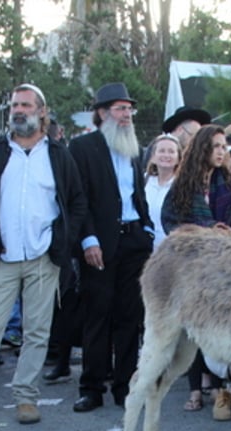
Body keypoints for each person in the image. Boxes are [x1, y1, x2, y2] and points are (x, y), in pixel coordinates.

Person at [0, 83, 87, 428]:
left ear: (42, 112)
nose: (18, 110)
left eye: (26, 105)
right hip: (3, 256)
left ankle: (26, 397)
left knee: (37, 332)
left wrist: (63, 240)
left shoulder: (58, 155)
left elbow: (76, 201)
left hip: (43, 256)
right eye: (14, 105)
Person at [68, 82, 153, 412]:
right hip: (99, 243)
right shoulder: (83, 147)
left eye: (129, 109)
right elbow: (80, 199)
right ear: (102, 113)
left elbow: (137, 193)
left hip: (133, 240)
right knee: (98, 315)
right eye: (120, 109)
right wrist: (88, 239)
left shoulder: (133, 148)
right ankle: (91, 387)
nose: (126, 115)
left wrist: (145, 228)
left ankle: (124, 386)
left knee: (130, 317)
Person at [160, 124, 231, 419]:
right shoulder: (184, 184)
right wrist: (205, 231)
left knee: (221, 323)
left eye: (224, 146)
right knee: (194, 327)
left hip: (225, 265)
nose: (222, 152)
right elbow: (170, 221)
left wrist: (230, 233)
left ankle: (219, 386)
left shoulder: (228, 182)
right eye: (217, 146)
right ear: (203, 148)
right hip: (194, 266)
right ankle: (195, 388)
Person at [143, 133, 180, 245]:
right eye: (162, 151)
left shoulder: (182, 185)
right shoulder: (144, 180)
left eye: (171, 151)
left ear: (178, 158)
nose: (166, 155)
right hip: (143, 248)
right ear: (153, 156)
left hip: (169, 250)